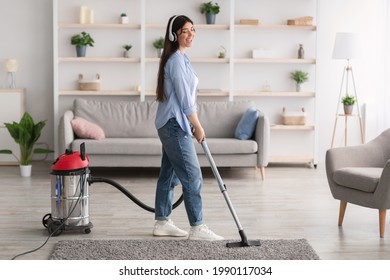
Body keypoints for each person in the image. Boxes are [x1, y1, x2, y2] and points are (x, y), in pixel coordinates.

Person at [153, 15, 223, 241]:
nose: (190, 34)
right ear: (174, 35)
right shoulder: (175, 61)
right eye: (185, 30)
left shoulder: (182, 59)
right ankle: (197, 226)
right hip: (174, 124)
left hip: (172, 123)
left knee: (169, 174)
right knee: (192, 176)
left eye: (193, 29)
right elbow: (185, 100)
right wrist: (198, 125)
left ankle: (162, 222)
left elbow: (186, 98)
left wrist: (190, 123)